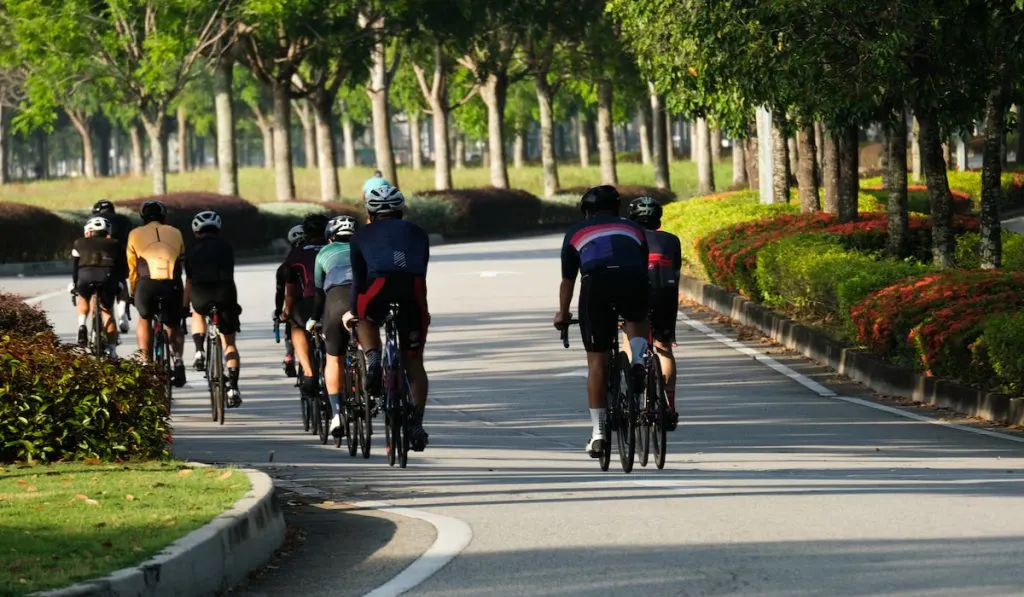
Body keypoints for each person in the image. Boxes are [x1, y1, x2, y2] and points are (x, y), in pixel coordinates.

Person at [553, 185, 651, 457]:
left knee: (597, 363)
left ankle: (598, 434)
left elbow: (568, 280)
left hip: (596, 285)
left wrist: (563, 314)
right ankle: (639, 358)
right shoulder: (634, 228)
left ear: (586, 212)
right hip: (633, 279)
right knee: (637, 317)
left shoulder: (575, 232)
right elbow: (642, 268)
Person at [342, 184, 432, 452]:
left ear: (370, 212)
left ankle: (372, 358)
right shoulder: (419, 233)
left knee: (365, 316)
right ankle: (416, 422)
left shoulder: (360, 236)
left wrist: (352, 311)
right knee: (414, 361)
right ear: (402, 210)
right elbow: (420, 271)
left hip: (376, 288)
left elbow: (358, 280)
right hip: (412, 293)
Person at [626, 196, 681, 431]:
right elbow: (676, 277)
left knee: (630, 336)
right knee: (664, 347)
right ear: (658, 220)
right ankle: (669, 407)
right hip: (665, 294)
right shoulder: (671, 240)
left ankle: (634, 374)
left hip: (636, 292)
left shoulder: (627, 239)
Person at [305, 215, 358, 436]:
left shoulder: (323, 253)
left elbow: (318, 291)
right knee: (371, 340)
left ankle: (336, 414)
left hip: (335, 301)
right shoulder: (363, 248)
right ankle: (372, 381)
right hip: (362, 299)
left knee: (333, 358)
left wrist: (314, 318)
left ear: (330, 237)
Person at [184, 210, 243, 407]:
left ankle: (199, 350)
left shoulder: (191, 248)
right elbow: (230, 277)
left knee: (197, 312)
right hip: (224, 294)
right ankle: (233, 387)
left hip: (200, 295)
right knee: (230, 343)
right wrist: (234, 305)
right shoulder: (226, 247)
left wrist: (185, 306)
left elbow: (189, 281)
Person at [126, 200, 187, 386]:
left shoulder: (134, 234)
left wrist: (133, 291)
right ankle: (178, 361)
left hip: (146, 285)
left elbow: (132, 268)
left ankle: (145, 361)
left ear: (143, 217)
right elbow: (182, 260)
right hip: (171, 285)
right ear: (164, 216)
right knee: (173, 324)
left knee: (144, 318)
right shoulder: (176, 232)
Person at [281, 214, 328, 399]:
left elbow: (291, 292)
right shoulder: (336, 247)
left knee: (296, 326)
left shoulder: (296, 254)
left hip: (309, 302)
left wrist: (286, 312)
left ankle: (308, 372)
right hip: (335, 301)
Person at [71, 216, 127, 358]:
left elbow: (75, 267)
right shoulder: (116, 243)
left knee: (83, 298)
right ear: (107, 232)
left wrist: (75, 284)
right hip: (106, 278)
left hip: (85, 276)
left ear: (89, 232)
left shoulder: (79, 242)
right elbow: (122, 268)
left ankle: (82, 325)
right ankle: (112, 349)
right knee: (107, 312)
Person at [92, 199, 134, 333]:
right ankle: (123, 312)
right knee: (121, 282)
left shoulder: (94, 220)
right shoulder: (124, 220)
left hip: (98, 259)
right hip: (121, 255)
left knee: (97, 288)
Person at [275, 225, 306, 377]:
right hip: (320, 301)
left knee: (290, 321)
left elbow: (281, 292)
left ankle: (289, 355)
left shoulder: (286, 265)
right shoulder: (318, 254)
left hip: (298, 305)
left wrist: (278, 312)